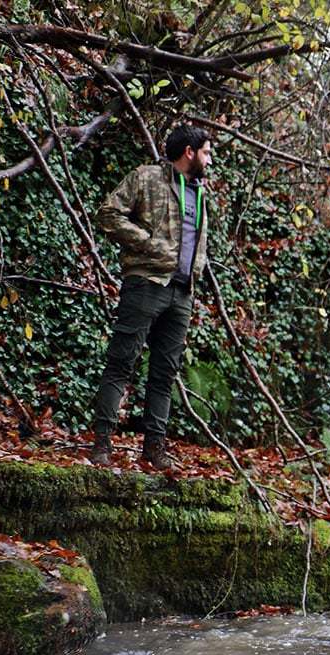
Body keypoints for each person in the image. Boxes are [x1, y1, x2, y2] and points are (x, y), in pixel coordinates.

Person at [89, 125, 213, 468]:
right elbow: (108, 214)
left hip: (182, 293)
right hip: (146, 283)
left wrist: (195, 270)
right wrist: (150, 244)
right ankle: (102, 446)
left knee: (164, 374)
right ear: (188, 152)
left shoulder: (199, 191)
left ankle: (154, 450)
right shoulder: (146, 178)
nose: (209, 159)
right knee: (121, 363)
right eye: (206, 152)